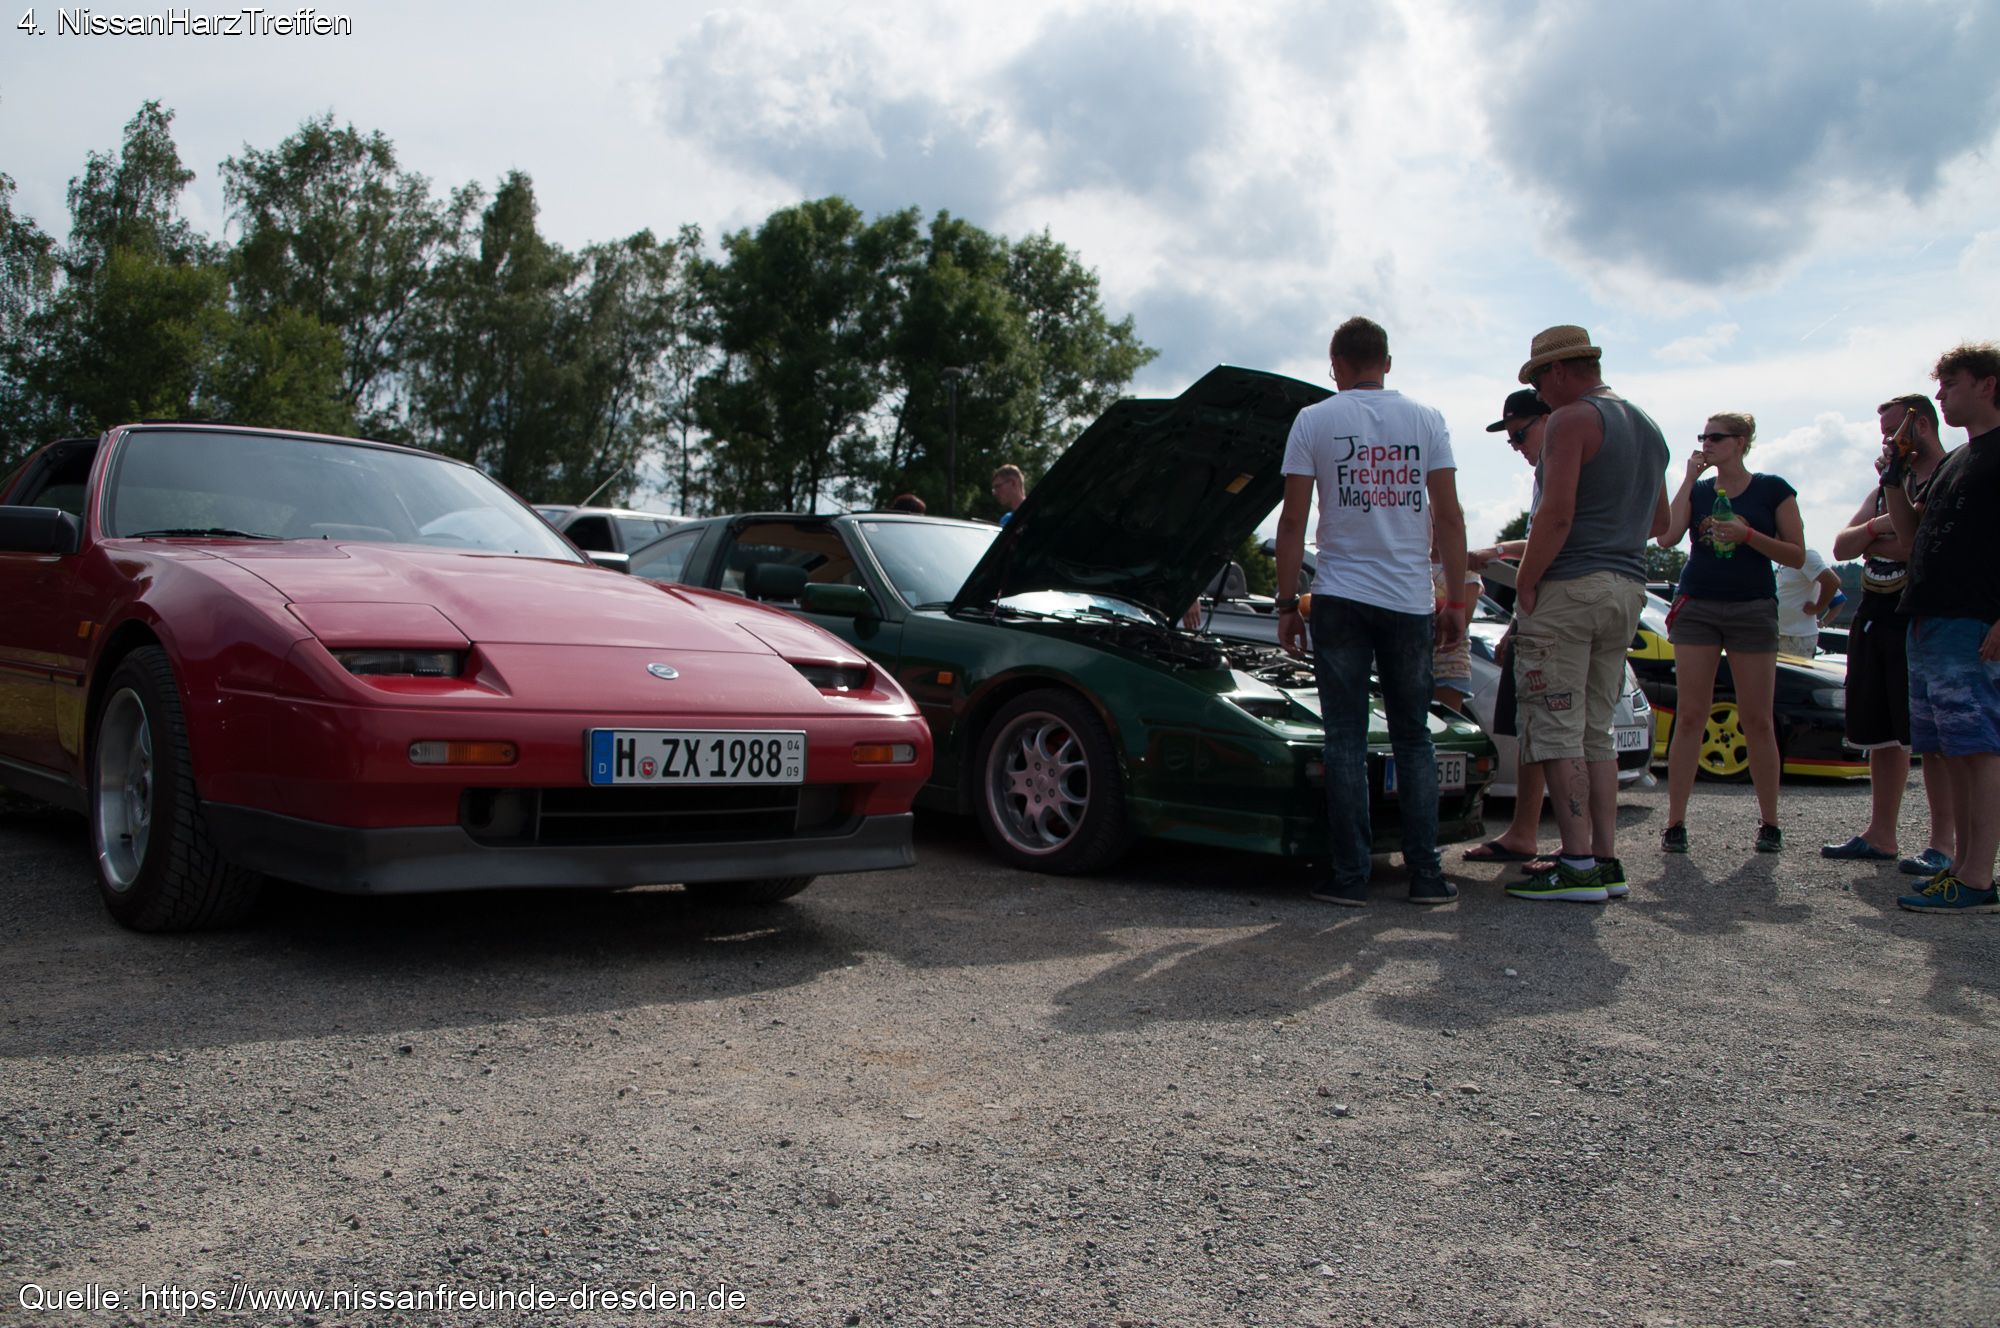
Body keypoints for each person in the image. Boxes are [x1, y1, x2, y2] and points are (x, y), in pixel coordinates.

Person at [1274, 316, 1467, 907]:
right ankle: (1426, 875)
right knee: (1414, 738)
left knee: (1345, 739)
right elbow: (1449, 516)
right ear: (1386, 362)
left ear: (1336, 366)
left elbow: (1293, 521)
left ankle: (1350, 875)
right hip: (1408, 599)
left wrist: (1287, 604)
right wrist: (1456, 600)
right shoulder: (1427, 419)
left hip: (1340, 596)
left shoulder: (1314, 420)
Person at [1507, 326, 1670, 904]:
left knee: (1555, 726)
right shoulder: (1648, 426)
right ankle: (1604, 858)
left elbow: (1555, 515)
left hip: (1570, 587)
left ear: (1558, 371)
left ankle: (1575, 864)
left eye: (1537, 381)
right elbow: (1661, 524)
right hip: (1627, 586)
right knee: (1596, 729)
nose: (1539, 395)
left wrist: (1526, 582)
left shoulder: (1572, 419)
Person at [1882, 342, 2000, 915]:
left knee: (1977, 748)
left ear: (1988, 385)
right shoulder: (1958, 459)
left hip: (1972, 620)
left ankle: (1978, 877)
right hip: (1929, 618)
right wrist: (1893, 476)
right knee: (1949, 749)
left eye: (1950, 384)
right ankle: (1960, 868)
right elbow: (1911, 537)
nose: (1940, 396)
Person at [1656, 411, 1806, 855]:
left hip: (1752, 607)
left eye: (1716, 437)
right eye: (1703, 436)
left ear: (1740, 442)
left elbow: (1796, 555)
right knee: (1690, 715)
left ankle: (1770, 823)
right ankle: (1675, 823)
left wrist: (1748, 535)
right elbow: (1667, 537)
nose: (1706, 443)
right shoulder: (1700, 490)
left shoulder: (1772, 489)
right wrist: (1688, 478)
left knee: (1757, 719)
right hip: (1698, 605)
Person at [1820, 395, 1957, 873]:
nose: (1886, 441)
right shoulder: (1888, 485)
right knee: (1879, 731)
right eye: (1882, 433)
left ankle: (1943, 843)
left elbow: (1919, 546)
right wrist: (1882, 524)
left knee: (1929, 736)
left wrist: (1879, 538)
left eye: (1893, 431)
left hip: (1918, 616)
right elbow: (1843, 544)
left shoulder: (1947, 475)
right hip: (1875, 613)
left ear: (1920, 426)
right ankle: (1881, 835)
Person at [1461, 388, 1554, 864]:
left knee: (1548, 728)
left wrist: (1522, 616)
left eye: (1520, 434)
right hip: (1540, 611)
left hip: (1555, 613)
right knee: (1529, 728)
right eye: (1510, 439)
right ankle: (1525, 832)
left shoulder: (1561, 469)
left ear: (1548, 419)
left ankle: (1571, 846)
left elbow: (1554, 543)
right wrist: (1516, 618)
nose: (1516, 446)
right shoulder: (1545, 474)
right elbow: (1540, 541)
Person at [1772, 546, 1841, 657]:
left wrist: (1817, 608)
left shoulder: (1807, 554)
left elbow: (1832, 582)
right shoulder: (1785, 558)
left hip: (1797, 637)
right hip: (1779, 634)